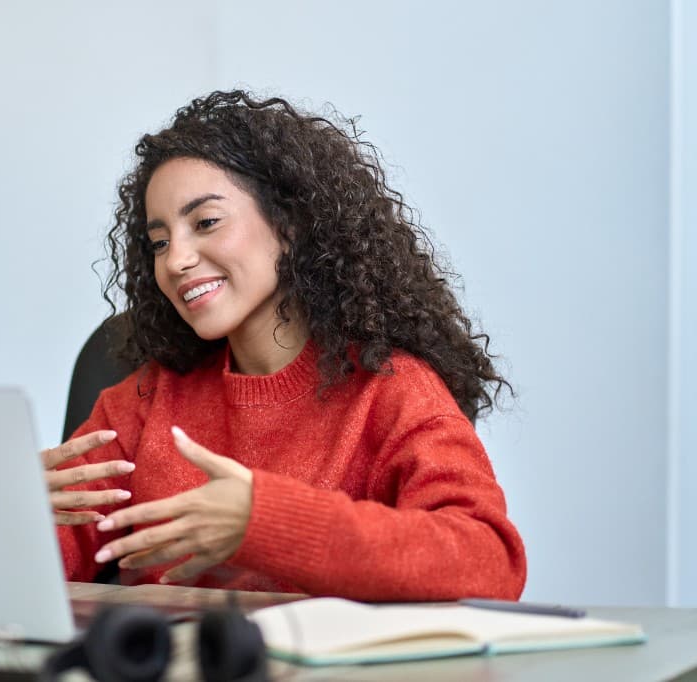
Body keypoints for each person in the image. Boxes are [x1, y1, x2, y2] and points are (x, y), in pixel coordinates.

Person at [41, 90, 526, 601]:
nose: (176, 260)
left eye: (206, 223)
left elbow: (488, 562)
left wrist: (267, 521)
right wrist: (11, 515)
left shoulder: (391, 391)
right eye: (159, 241)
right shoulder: (143, 400)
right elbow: (39, 561)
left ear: (289, 226)